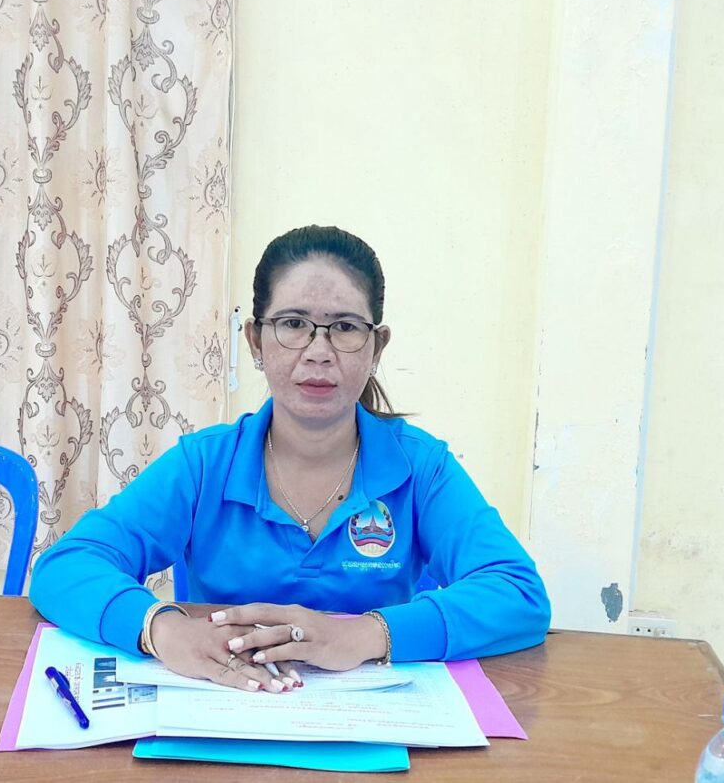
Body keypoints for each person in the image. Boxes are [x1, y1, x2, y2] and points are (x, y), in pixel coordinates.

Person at [29, 225, 550, 693]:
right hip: (228, 711)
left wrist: (365, 634)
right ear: (256, 340)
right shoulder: (204, 465)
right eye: (293, 323)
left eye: (345, 327)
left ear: (376, 348)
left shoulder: (421, 468)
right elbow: (66, 565)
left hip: (369, 721)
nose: (319, 351)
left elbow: (519, 594)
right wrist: (160, 628)